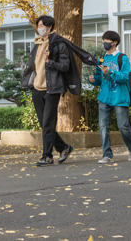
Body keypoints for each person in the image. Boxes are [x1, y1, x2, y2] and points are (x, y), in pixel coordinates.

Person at [22, 15, 95, 166]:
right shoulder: (37, 44)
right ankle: (63, 147)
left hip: (52, 88)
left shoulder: (58, 44)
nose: (40, 28)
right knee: (45, 124)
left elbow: (65, 66)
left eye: (42, 26)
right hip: (37, 88)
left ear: (49, 27)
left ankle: (47, 156)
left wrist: (50, 62)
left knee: (48, 123)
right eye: (38, 26)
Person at [86, 31, 131, 164]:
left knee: (123, 126)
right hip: (104, 97)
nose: (104, 43)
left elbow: (126, 77)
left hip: (119, 97)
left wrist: (111, 72)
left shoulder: (122, 58)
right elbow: (100, 79)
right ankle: (107, 154)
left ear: (114, 42)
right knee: (103, 126)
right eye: (103, 40)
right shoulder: (102, 59)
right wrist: (93, 80)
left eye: (107, 40)